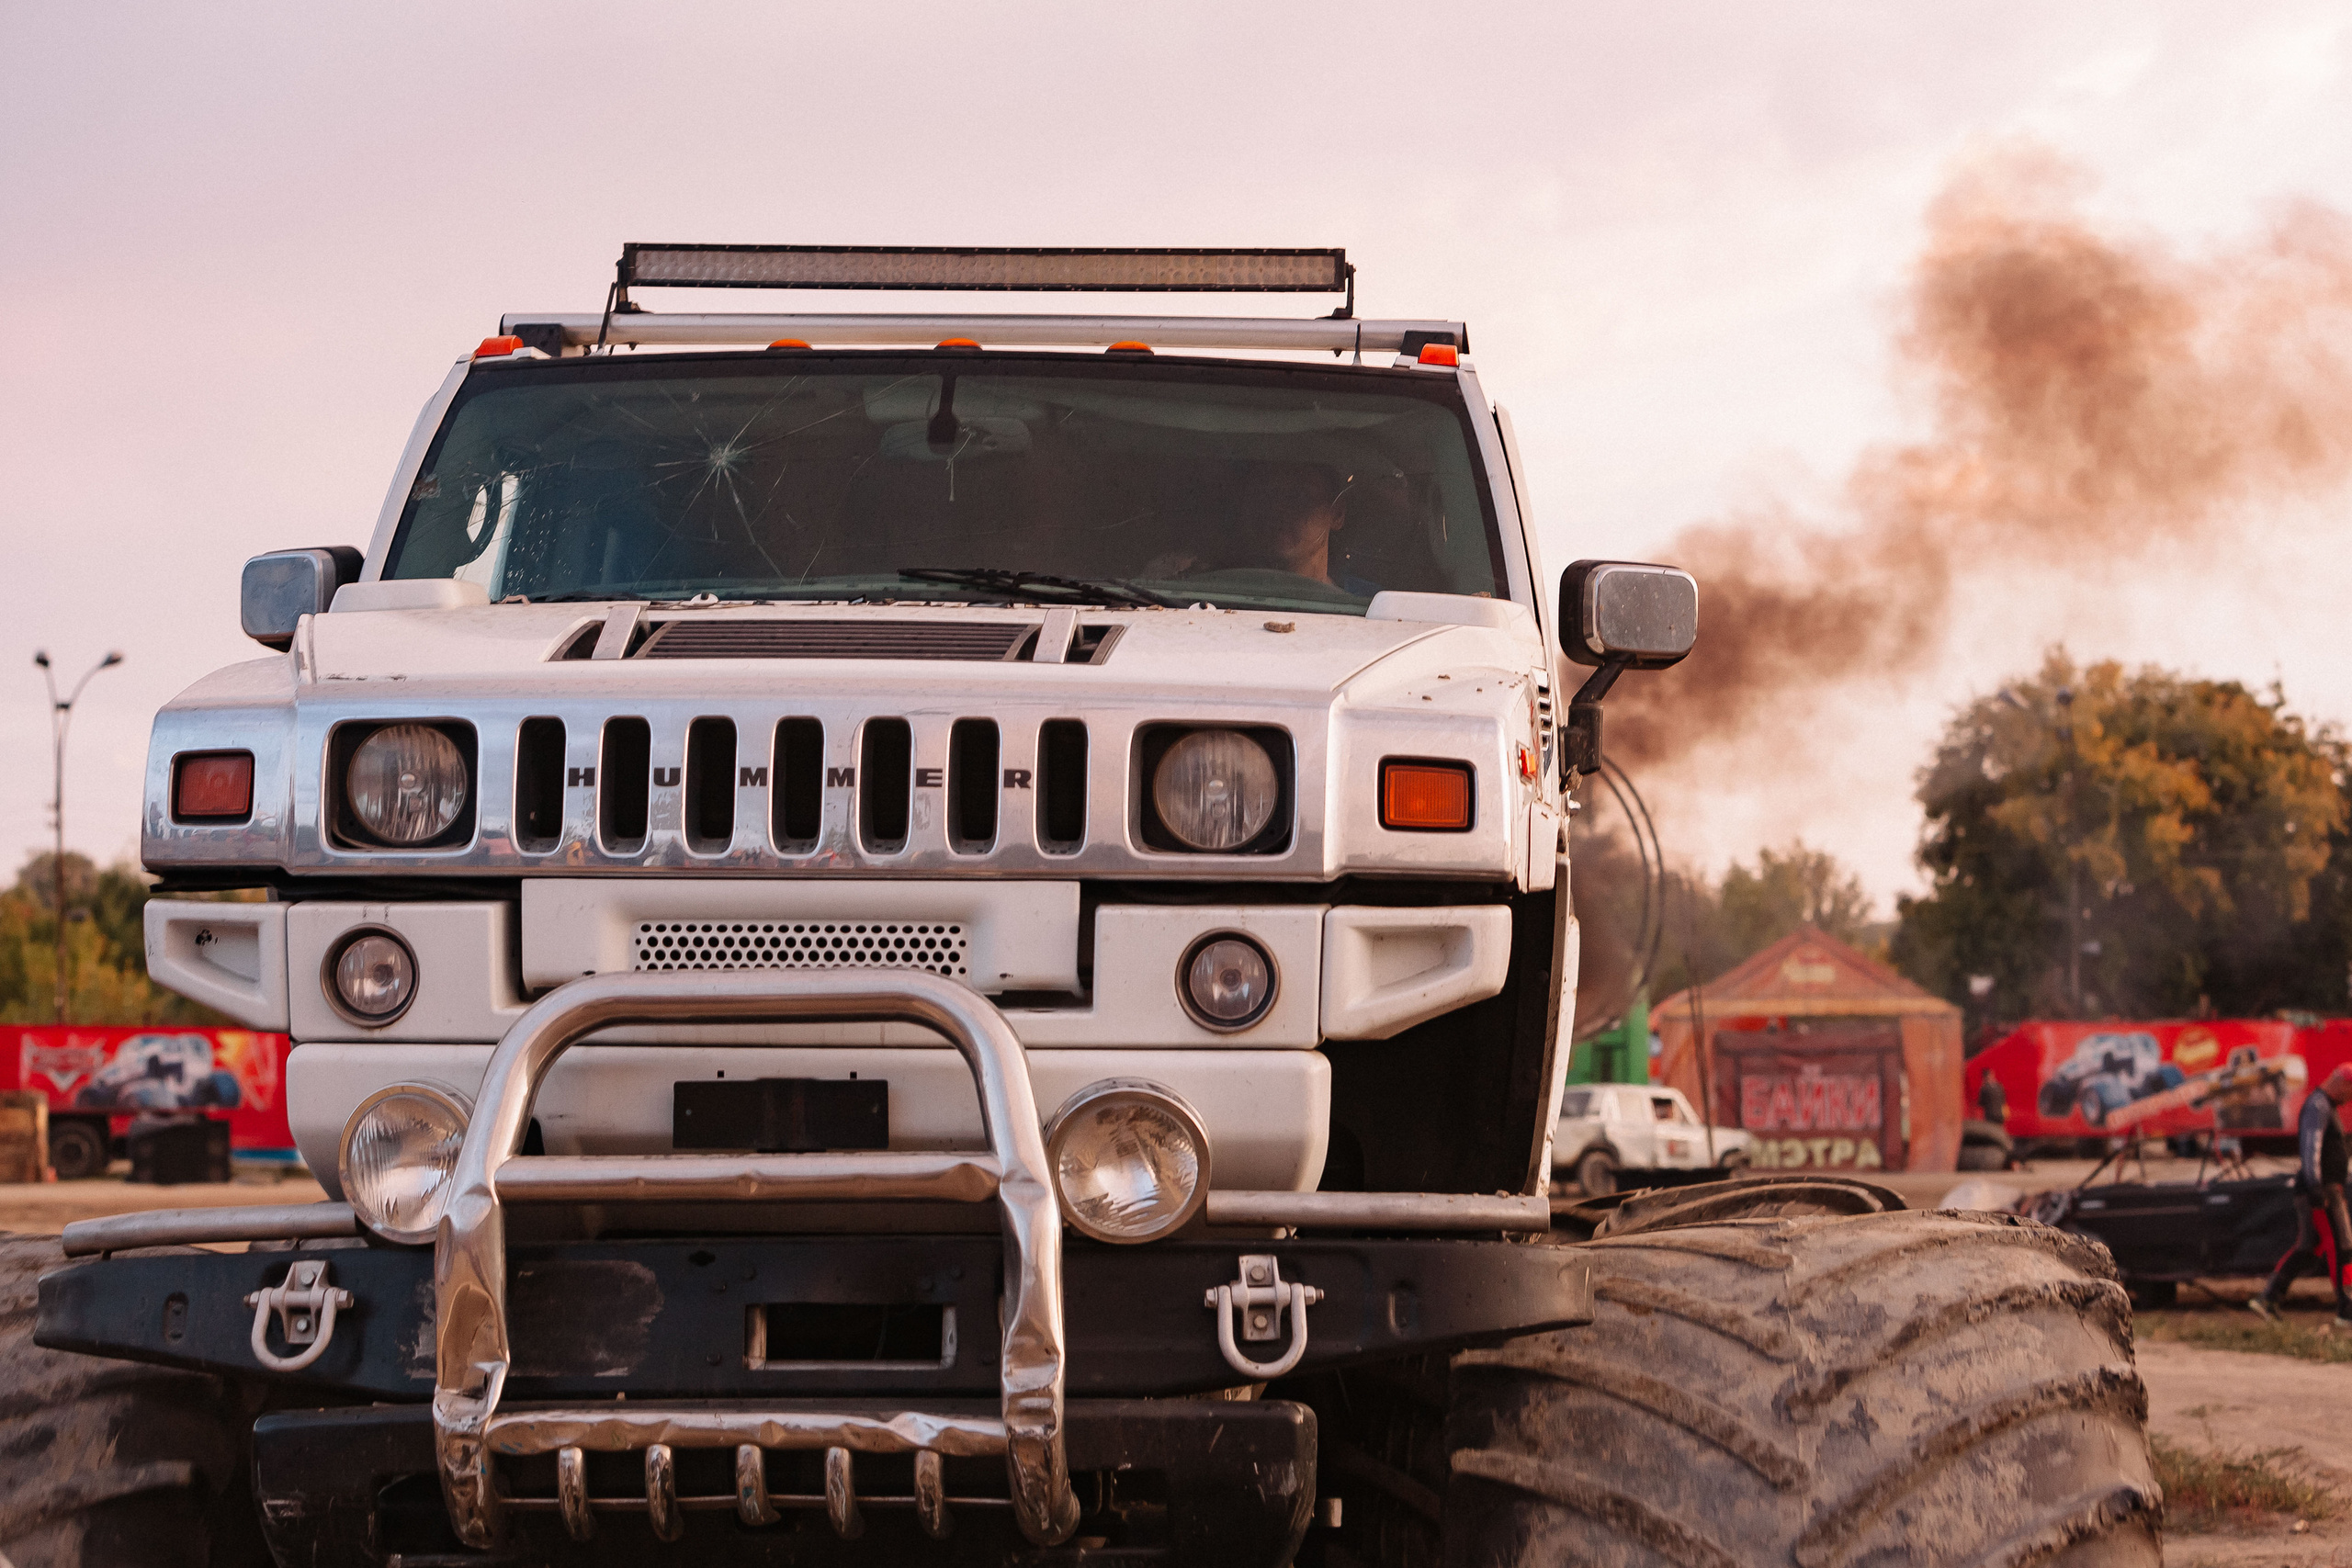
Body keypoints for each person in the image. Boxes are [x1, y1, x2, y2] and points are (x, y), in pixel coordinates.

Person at [2249, 1064, 2352, 1325]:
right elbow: (2311, 1147)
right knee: (2341, 1245)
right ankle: (2346, 1308)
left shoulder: (2326, 1106)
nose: (2350, 1098)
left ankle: (2268, 1298)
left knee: (2309, 1247)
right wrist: (2317, 1188)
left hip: (2322, 1187)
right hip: (2322, 1189)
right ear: (2341, 1083)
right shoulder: (2318, 1105)